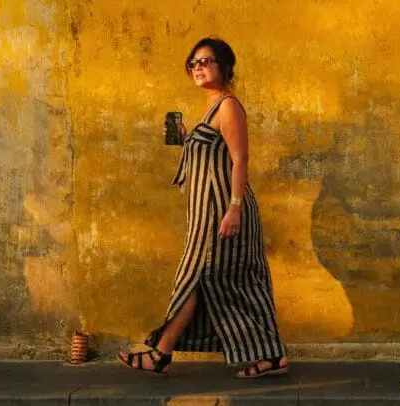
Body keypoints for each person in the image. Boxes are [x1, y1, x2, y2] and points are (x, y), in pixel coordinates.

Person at [117, 37, 288, 378]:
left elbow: (240, 160)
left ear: (224, 67)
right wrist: (185, 138)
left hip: (223, 211)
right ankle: (272, 356)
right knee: (232, 282)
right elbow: (211, 156)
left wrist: (235, 207)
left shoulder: (228, 106)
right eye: (193, 62)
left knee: (199, 277)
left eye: (206, 61)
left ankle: (160, 353)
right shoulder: (210, 109)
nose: (198, 67)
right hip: (206, 215)